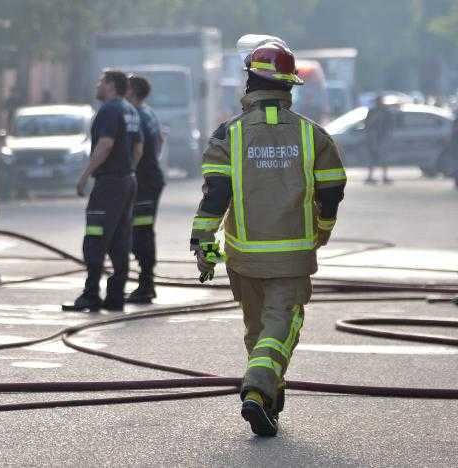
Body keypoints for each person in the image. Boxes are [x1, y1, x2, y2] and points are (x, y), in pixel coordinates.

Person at [190, 38, 346, 437]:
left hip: (243, 257)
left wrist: (204, 244)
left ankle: (268, 397)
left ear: (249, 83)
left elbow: (215, 195)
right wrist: (323, 230)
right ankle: (258, 389)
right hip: (292, 257)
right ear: (289, 86)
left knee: (258, 330)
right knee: (281, 327)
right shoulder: (314, 136)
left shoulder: (228, 135)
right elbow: (331, 191)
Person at [62, 70, 143, 312]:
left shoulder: (109, 110)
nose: (97, 86)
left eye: (100, 82)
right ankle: (115, 296)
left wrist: (85, 175)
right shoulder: (130, 110)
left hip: (108, 184)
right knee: (120, 239)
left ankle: (91, 295)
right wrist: (129, 171)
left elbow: (105, 144)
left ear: (110, 85)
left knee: (95, 238)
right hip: (127, 182)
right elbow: (139, 146)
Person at [125, 74, 165, 304]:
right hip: (151, 179)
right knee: (141, 231)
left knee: (141, 232)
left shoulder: (136, 115)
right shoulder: (147, 112)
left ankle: (146, 284)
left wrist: (133, 170)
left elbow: (139, 148)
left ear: (132, 92)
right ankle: (145, 282)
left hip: (145, 183)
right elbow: (160, 139)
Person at [365, 95, 394, 184]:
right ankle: (370, 176)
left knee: (384, 158)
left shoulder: (386, 112)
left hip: (383, 137)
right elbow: (367, 124)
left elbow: (389, 125)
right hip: (373, 137)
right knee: (372, 157)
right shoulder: (372, 111)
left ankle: (385, 176)